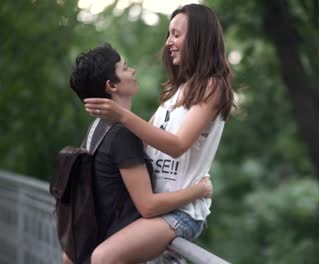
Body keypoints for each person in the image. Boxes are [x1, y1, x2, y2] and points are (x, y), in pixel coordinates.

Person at [83, 3, 234, 263]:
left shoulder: (213, 86)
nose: (168, 43)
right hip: (153, 207)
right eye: (168, 35)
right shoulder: (175, 91)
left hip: (180, 212)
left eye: (176, 34)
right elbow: (144, 140)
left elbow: (177, 145)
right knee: (81, 249)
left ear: (198, 38)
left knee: (103, 258)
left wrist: (121, 115)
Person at [66, 43, 212, 264]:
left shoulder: (97, 127)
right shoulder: (122, 135)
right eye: (125, 68)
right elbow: (148, 205)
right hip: (111, 245)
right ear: (112, 85)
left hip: (92, 239)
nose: (132, 71)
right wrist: (199, 190)